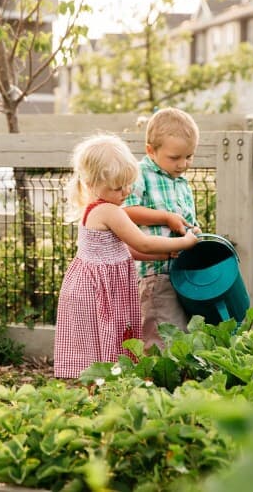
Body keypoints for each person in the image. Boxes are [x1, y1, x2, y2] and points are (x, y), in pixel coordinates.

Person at [54, 134, 198, 379]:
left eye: (128, 184)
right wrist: (185, 241)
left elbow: (124, 250)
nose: (126, 192)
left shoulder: (96, 209)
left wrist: (165, 253)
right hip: (100, 290)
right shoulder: (110, 212)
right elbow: (141, 242)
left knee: (98, 344)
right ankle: (108, 387)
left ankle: (99, 388)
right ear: (92, 183)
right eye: (118, 187)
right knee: (108, 341)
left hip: (92, 287)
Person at [123, 107, 201, 350]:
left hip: (179, 271)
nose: (182, 164)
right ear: (150, 150)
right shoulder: (140, 174)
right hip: (154, 271)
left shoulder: (180, 181)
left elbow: (185, 218)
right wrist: (166, 218)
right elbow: (126, 211)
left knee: (180, 330)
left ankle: (177, 382)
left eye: (188, 157)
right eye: (175, 158)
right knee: (161, 334)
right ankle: (156, 382)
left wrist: (194, 231)